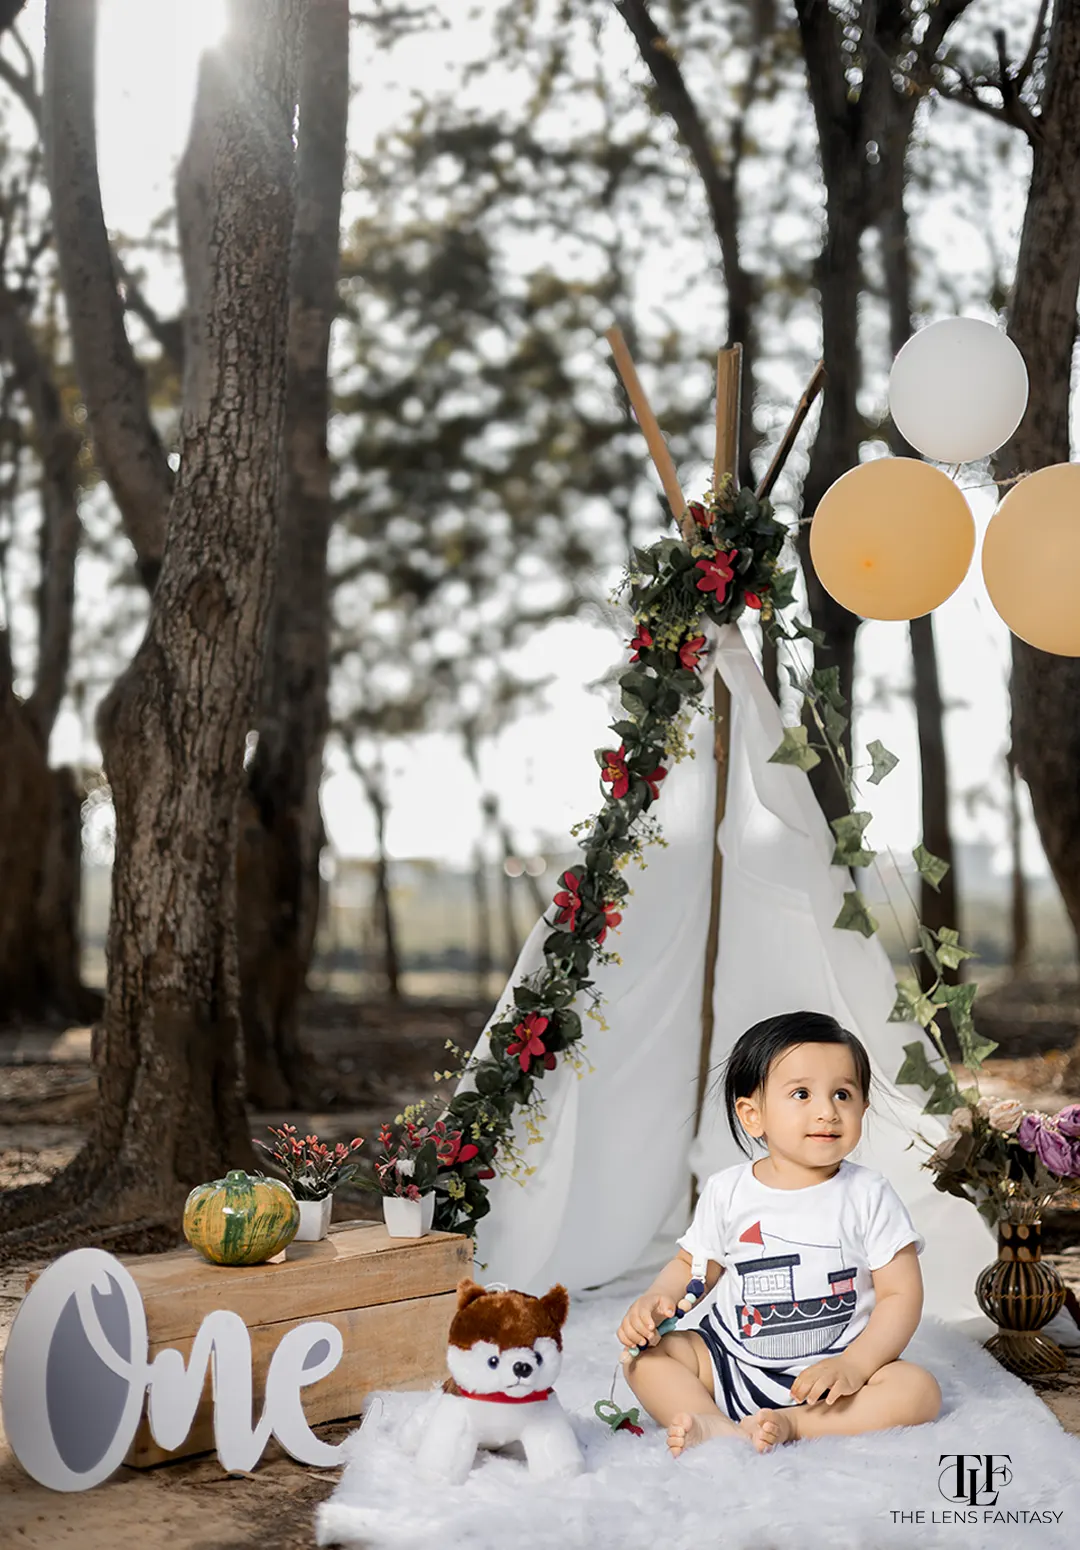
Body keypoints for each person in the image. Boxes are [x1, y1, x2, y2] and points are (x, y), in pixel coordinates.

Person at [616, 1010, 942, 1456]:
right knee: (645, 1361)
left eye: (843, 1094)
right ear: (753, 1115)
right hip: (730, 1362)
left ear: (863, 1107)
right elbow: (691, 1267)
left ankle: (792, 1424)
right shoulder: (728, 1190)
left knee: (917, 1389)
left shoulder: (868, 1194)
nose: (827, 1111)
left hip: (835, 1375)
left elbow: (900, 1295)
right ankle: (711, 1424)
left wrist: (855, 1363)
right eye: (803, 1094)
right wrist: (655, 1301)